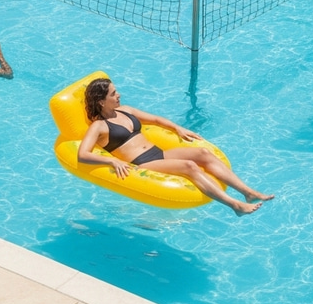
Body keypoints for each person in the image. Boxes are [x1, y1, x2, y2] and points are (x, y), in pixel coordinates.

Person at [78, 78, 273, 216]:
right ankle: (235, 205)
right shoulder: (99, 126)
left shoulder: (125, 110)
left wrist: (177, 128)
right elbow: (83, 154)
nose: (119, 95)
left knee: (203, 154)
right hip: (141, 164)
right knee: (189, 166)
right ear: (101, 101)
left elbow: (154, 119)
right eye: (113, 93)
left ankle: (247, 193)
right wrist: (111, 159)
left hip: (158, 153)